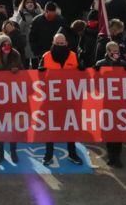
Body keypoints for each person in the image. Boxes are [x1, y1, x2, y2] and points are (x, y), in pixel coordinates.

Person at [38, 33, 81, 166]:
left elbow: (81, 76)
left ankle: (72, 154)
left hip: (69, 100)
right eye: (57, 44)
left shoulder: (74, 56)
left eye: (62, 44)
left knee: (70, 128)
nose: (60, 46)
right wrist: (40, 72)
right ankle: (48, 155)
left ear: (66, 43)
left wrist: (83, 69)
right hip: (51, 100)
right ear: (53, 43)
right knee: (50, 128)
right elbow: (39, 78)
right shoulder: (46, 57)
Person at [0, 35, 23, 163]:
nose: (7, 47)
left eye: (9, 44)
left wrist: (17, 71)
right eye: (4, 45)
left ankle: (13, 152)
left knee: (13, 126)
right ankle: (0, 152)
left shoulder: (16, 55)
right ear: (0, 46)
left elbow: (24, 72)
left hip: (13, 97)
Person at [94, 40, 126, 167]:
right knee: (109, 131)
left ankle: (118, 156)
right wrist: (96, 72)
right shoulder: (100, 64)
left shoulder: (123, 64)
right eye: (113, 51)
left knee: (118, 131)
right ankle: (111, 156)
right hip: (106, 103)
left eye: (117, 51)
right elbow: (95, 85)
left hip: (119, 103)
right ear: (108, 52)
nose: (116, 53)